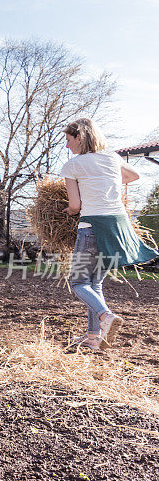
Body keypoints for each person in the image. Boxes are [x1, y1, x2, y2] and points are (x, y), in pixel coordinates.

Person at [60, 118, 159, 350]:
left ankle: (106, 316)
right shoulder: (113, 158)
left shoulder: (73, 165)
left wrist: (68, 210)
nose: (67, 146)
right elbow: (134, 176)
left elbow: (75, 206)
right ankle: (94, 337)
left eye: (68, 140)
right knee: (95, 284)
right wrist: (108, 179)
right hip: (118, 227)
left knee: (78, 283)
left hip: (91, 227)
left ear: (79, 138)